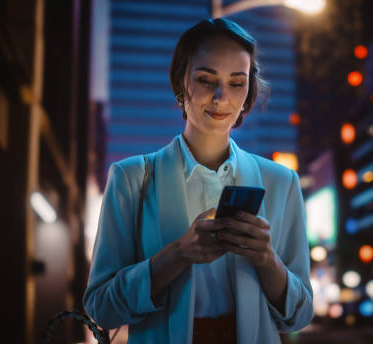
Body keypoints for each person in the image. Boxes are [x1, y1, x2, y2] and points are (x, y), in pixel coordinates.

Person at [83, 18, 313, 343]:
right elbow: (102, 307)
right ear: (181, 83)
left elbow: (299, 316)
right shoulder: (132, 178)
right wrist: (177, 254)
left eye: (237, 82)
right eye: (206, 80)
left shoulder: (281, 182)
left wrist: (267, 259)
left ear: (249, 94)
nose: (221, 97)